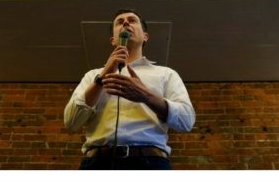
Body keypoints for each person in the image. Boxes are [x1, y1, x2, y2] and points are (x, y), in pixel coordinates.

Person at [64, 9, 195, 170]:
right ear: (113, 40)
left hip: (150, 163)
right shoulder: (93, 75)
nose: (125, 23)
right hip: (97, 163)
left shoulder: (166, 74)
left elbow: (186, 121)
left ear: (145, 36)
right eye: (119, 22)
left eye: (132, 20)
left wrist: (146, 96)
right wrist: (102, 77)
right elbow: (71, 123)